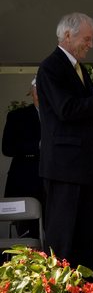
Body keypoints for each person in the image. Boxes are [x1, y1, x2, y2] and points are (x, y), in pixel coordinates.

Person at [36, 12, 93, 268]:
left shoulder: (79, 68)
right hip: (64, 166)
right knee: (63, 234)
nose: (91, 44)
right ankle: (60, 292)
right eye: (87, 39)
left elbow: (87, 109)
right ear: (67, 35)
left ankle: (82, 290)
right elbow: (66, 109)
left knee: (85, 234)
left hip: (83, 165)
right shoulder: (51, 67)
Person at [2, 76, 44, 239]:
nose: (40, 96)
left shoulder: (57, 116)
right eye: (36, 92)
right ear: (31, 94)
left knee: (54, 236)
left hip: (52, 185)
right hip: (24, 183)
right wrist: (37, 146)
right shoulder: (17, 116)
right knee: (27, 237)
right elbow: (7, 148)